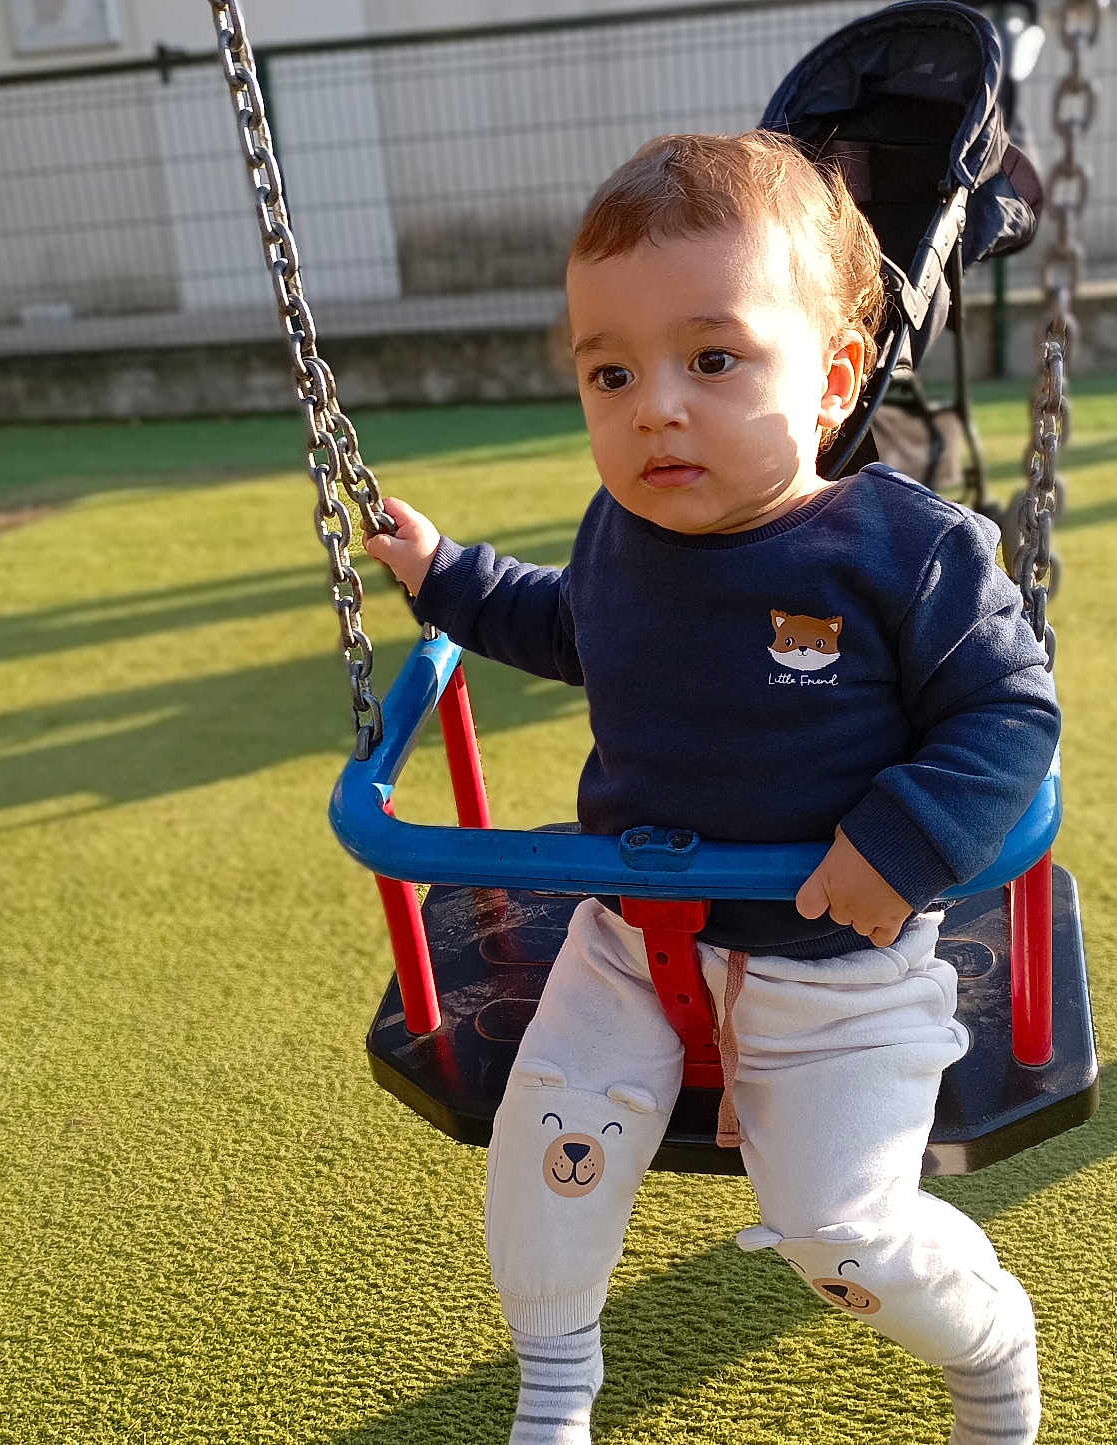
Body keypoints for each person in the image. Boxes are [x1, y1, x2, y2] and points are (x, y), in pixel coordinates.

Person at [364, 130, 1059, 1445]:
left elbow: (1008, 713)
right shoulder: (619, 535)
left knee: (842, 1235)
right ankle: (557, 1379)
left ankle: (989, 1356)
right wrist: (445, 573)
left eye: (713, 358)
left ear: (831, 377)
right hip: (629, 933)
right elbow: (570, 624)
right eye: (610, 372)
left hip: (833, 960)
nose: (655, 406)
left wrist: (903, 836)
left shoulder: (906, 551)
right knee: (542, 1157)